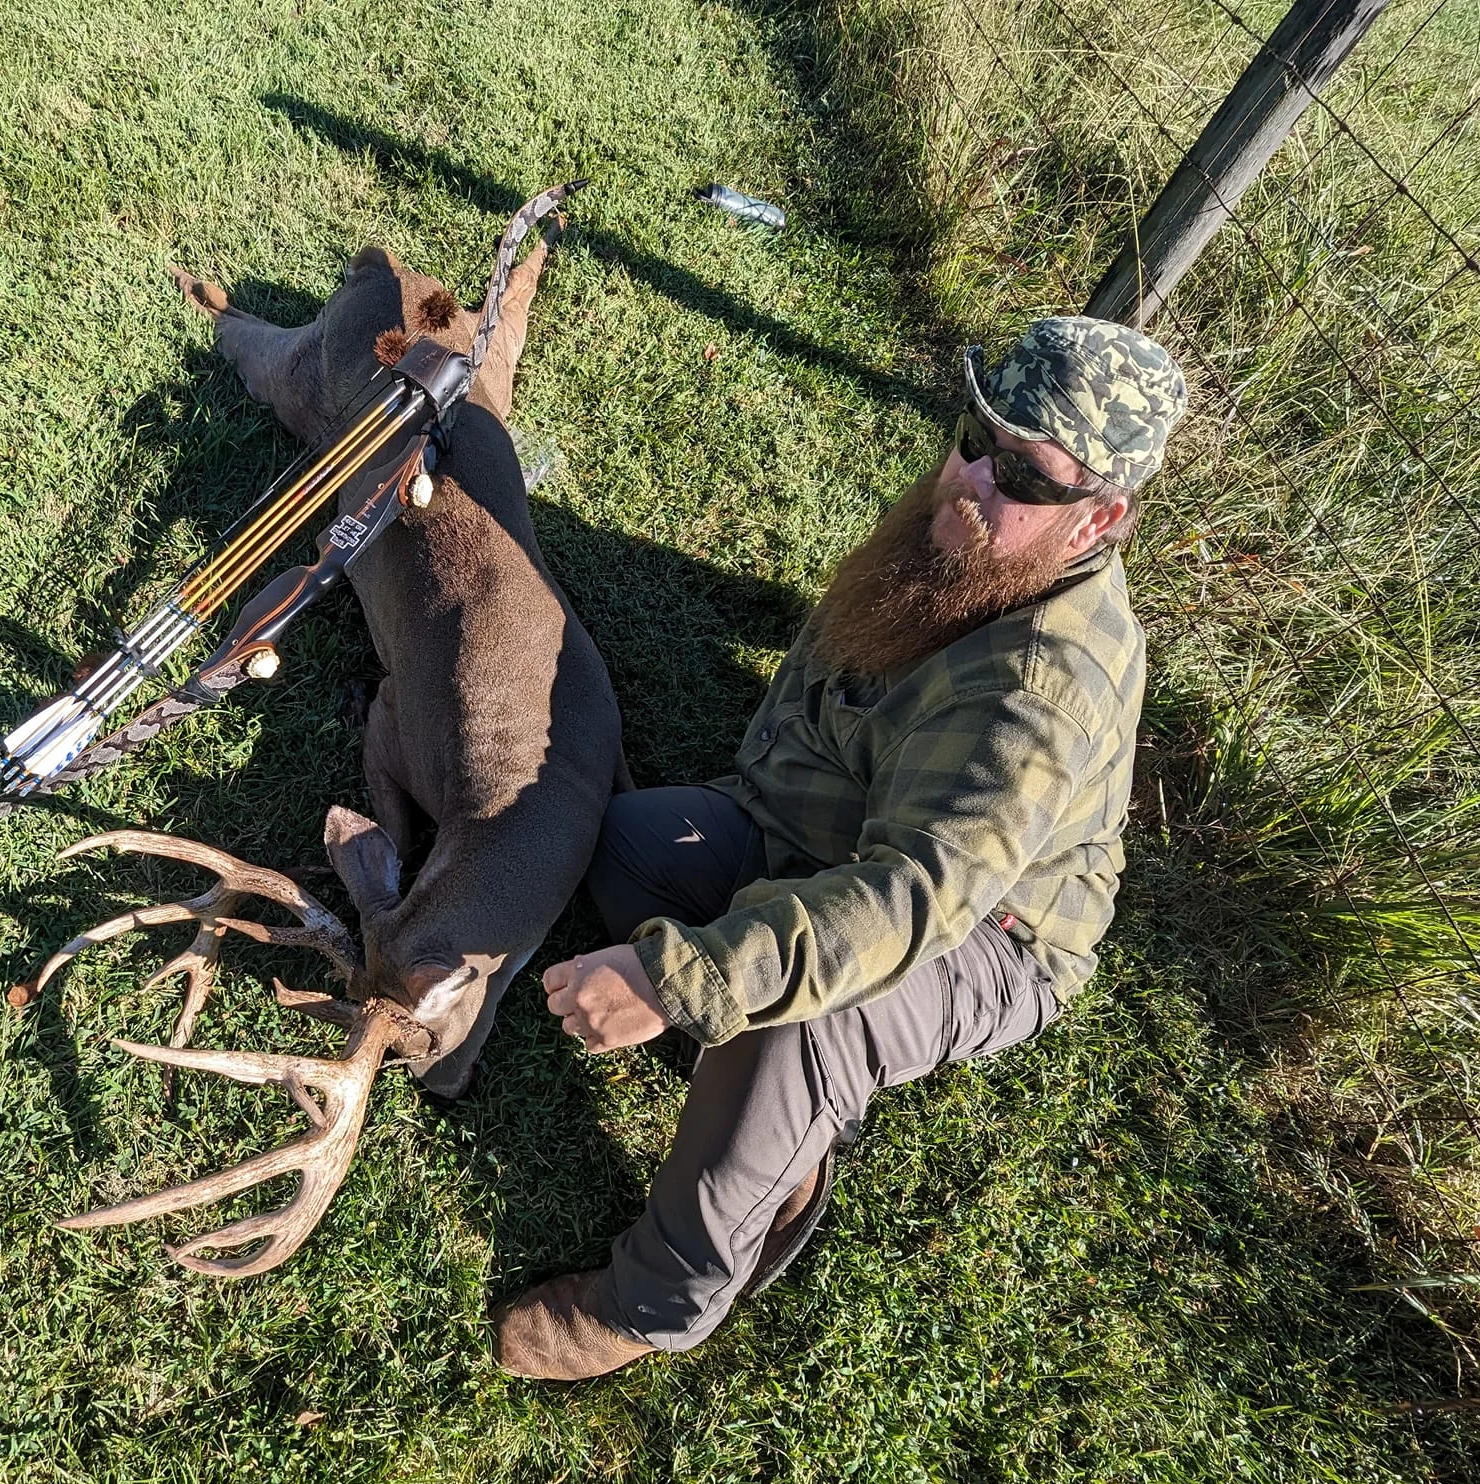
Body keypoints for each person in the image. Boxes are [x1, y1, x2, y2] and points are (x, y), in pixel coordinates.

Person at [491, 317, 1188, 1380]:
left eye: (1021, 476)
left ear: (1099, 519)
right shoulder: (966, 526)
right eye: (970, 433)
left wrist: (682, 979)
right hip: (819, 831)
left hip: (987, 932)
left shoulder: (1038, 692)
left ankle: (659, 1301)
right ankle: (778, 1128)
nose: (971, 477)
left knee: (804, 1016)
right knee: (627, 848)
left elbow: (915, 901)